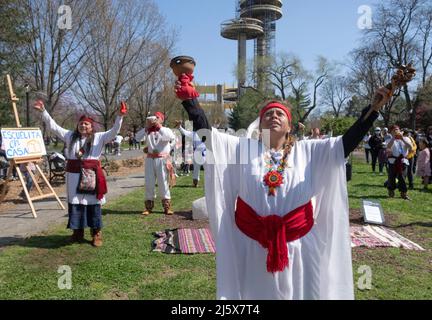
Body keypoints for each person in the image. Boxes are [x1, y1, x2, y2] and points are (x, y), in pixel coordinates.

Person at [174, 71, 391, 299]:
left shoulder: (309, 150)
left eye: (280, 114)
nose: (274, 116)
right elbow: (208, 137)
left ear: (289, 126)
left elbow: (344, 144)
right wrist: (191, 102)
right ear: (260, 124)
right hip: (253, 247)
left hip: (300, 248)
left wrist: (372, 110)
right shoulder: (241, 149)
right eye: (268, 114)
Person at [33, 100, 126, 246]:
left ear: (91, 126)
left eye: (86, 124)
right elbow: (54, 127)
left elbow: (114, 131)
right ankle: (77, 232)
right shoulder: (70, 136)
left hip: (91, 175)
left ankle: (96, 233)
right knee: (76, 203)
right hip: (74, 175)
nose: (83, 125)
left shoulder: (99, 137)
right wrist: (44, 111)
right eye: (81, 123)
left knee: (93, 203)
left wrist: (120, 116)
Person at [135, 112, 176, 216]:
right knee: (149, 183)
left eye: (158, 118)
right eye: (154, 118)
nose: (155, 119)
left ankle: (166, 207)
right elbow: (137, 138)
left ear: (162, 119)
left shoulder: (165, 130)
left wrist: (159, 127)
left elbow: (170, 137)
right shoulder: (148, 131)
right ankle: (148, 207)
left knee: (163, 182)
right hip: (150, 159)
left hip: (162, 159)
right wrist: (146, 127)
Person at [386, 125, 413, 200]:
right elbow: (388, 147)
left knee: (403, 177)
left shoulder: (406, 138)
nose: (396, 131)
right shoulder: (389, 139)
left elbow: (410, 147)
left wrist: (402, 139)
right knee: (391, 177)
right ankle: (391, 191)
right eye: (394, 130)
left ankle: (403, 193)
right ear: (391, 132)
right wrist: (394, 138)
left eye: (397, 130)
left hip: (403, 161)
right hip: (393, 161)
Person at [176, 122, 206, 187]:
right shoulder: (194, 134)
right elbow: (185, 132)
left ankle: (211, 183)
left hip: (205, 154)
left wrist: (216, 125)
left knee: (208, 170)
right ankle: (195, 183)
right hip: (197, 154)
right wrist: (179, 127)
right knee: (196, 170)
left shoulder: (207, 133)